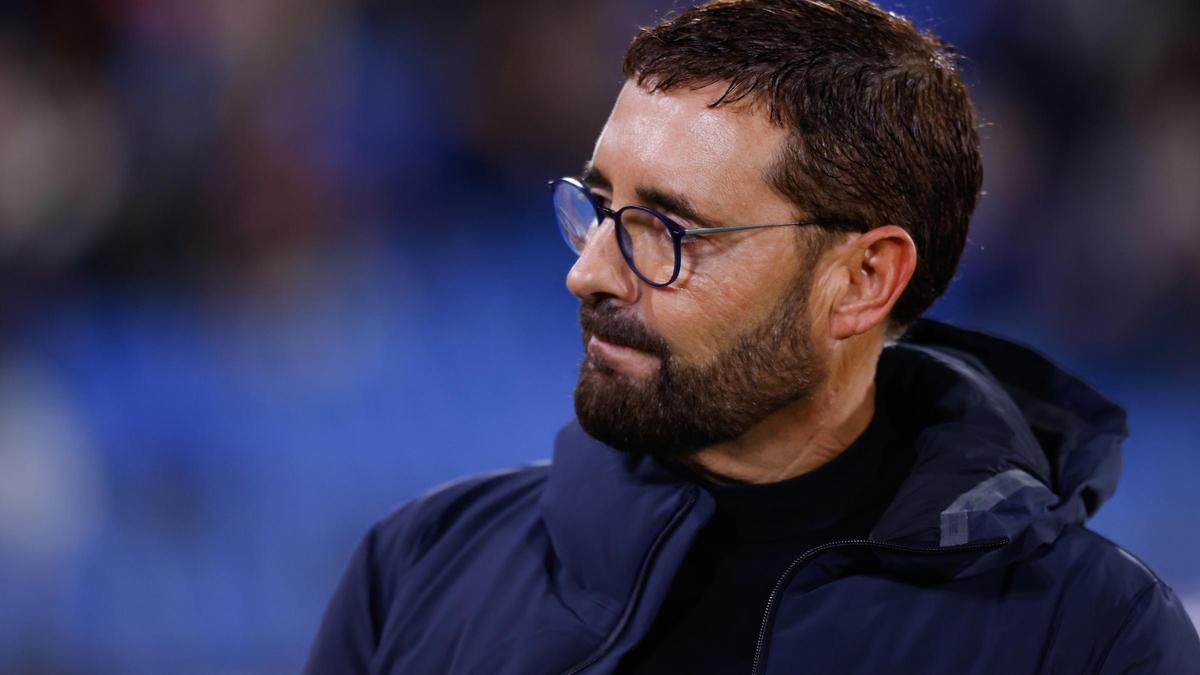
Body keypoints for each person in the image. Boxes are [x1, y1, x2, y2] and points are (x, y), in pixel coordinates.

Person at [303, 1, 1200, 672]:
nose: (589, 272)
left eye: (670, 231)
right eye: (601, 206)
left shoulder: (1093, 638)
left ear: (862, 281)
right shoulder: (419, 565)